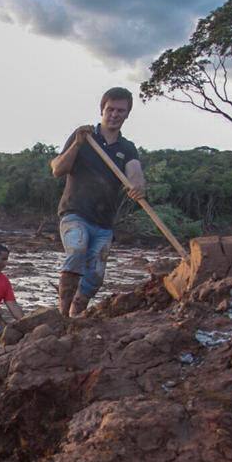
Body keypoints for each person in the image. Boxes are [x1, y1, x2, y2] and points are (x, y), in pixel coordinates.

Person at [50, 87, 147, 317]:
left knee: (95, 276)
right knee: (77, 250)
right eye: (110, 109)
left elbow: (135, 172)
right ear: (102, 110)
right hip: (75, 212)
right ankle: (62, 316)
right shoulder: (83, 136)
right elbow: (57, 169)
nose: (114, 114)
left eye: (120, 110)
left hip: (104, 222)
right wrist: (77, 144)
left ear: (127, 114)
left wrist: (138, 186)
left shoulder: (127, 148)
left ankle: (75, 315)